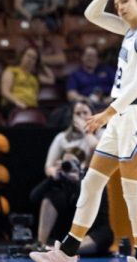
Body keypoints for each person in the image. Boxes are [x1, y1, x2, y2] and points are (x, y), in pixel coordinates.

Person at [29, 0, 137, 262]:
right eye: (117, 5)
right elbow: (92, 15)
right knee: (91, 183)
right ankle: (67, 252)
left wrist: (106, 113)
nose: (119, 7)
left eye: (125, 1)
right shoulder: (130, 32)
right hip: (121, 114)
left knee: (132, 190)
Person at [33, 101, 100, 249]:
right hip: (67, 183)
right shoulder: (62, 138)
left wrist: (87, 131)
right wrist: (56, 172)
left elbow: (96, 148)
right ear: (72, 117)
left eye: (85, 113)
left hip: (90, 180)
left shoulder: (101, 133)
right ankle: (41, 243)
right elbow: (48, 166)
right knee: (52, 195)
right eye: (77, 114)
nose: (81, 117)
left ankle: (72, 245)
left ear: (93, 115)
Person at [0, 46, 55, 116]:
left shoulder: (35, 76)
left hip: (32, 106)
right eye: (28, 55)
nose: (30, 59)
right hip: (13, 104)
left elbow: (51, 80)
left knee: (51, 116)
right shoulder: (11, 71)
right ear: (22, 56)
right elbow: (5, 92)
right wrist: (17, 102)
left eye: (34, 58)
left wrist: (42, 64)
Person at [66, 45, 115, 111]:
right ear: (82, 57)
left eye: (94, 56)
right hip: (87, 106)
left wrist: (111, 98)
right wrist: (86, 100)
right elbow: (71, 95)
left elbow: (120, 87)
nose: (91, 58)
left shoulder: (107, 70)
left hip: (109, 104)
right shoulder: (75, 75)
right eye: (88, 55)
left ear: (98, 59)